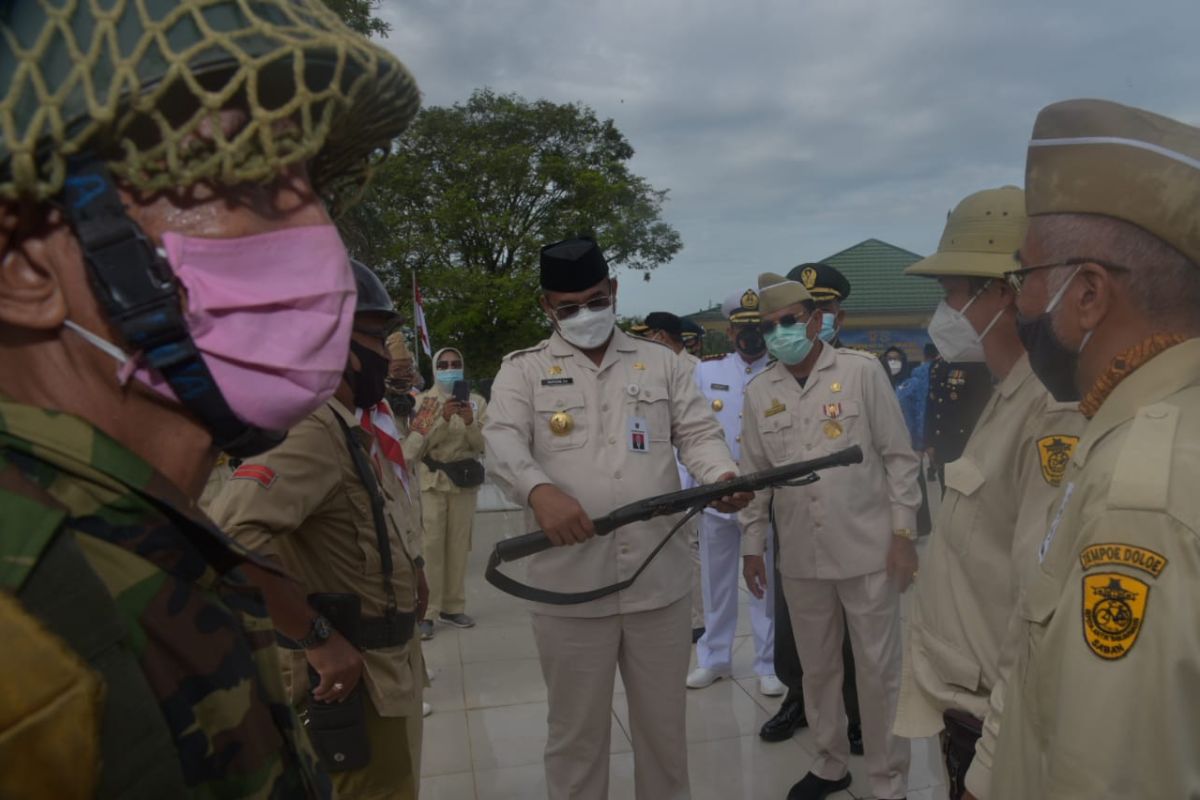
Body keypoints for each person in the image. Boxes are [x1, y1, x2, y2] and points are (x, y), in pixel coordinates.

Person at [0, 2, 418, 797]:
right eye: (231, 176)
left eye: (310, 182)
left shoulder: (139, 527)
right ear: (22, 267)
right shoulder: (27, 611)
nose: (317, 234)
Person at [983, 99, 1200, 799]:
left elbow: (1109, 777)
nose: (1019, 302)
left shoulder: (1142, 496)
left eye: (1026, 277)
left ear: (1086, 295)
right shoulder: (1148, 425)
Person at [484, 236, 750, 800]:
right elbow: (502, 441)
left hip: (658, 580)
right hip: (570, 587)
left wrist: (720, 476)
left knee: (663, 733)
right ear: (546, 307)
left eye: (595, 299)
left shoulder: (664, 364)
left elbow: (699, 435)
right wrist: (538, 491)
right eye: (568, 307)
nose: (585, 314)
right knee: (576, 737)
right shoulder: (523, 372)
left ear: (614, 291)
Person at [893, 186, 1085, 800]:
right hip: (962, 703)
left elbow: (1040, 611)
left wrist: (990, 764)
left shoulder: (1050, 411)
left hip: (996, 729)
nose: (944, 313)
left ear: (1005, 292)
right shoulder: (1005, 394)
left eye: (952, 294)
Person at [209, 261, 428, 799]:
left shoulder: (340, 424)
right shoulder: (308, 428)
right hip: (352, 685)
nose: (387, 353)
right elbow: (230, 537)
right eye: (376, 336)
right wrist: (316, 638)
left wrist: (413, 569)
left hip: (385, 674)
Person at [739, 272, 920, 800]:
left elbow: (899, 458)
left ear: (816, 321)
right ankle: (829, 762)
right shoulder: (759, 391)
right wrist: (753, 546)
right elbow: (755, 479)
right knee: (816, 670)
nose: (779, 333)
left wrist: (904, 534)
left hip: (868, 549)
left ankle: (889, 781)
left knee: (878, 671)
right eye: (769, 326)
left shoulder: (861, 373)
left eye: (789, 321)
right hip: (800, 554)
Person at [761, 263, 864, 751]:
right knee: (794, 620)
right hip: (795, 518)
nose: (812, 319)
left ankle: (858, 709)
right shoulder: (768, 381)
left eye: (822, 309)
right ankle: (798, 694)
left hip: (853, 521)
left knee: (854, 627)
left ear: (832, 316)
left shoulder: (859, 372)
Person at [686, 288, 781, 696]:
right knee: (716, 583)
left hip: (764, 498)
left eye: (756, 327)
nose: (750, 335)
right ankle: (715, 658)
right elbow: (689, 434)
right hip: (716, 496)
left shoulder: (780, 372)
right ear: (729, 330)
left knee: (764, 585)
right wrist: (691, 490)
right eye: (742, 328)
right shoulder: (706, 373)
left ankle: (768, 663)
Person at [407, 346, 487, 639]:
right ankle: (427, 612)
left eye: (455, 363)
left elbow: (483, 447)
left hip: (464, 484)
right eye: (444, 364)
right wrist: (440, 419)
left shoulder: (476, 403)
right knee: (431, 547)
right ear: (435, 370)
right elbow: (412, 449)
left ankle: (453, 606)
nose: (450, 368)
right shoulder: (424, 403)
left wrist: (468, 423)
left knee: (458, 546)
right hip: (432, 483)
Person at [386, 331, 420, 424]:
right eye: (397, 370)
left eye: (408, 369)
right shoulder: (375, 410)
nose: (404, 374)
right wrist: (419, 431)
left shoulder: (416, 407)